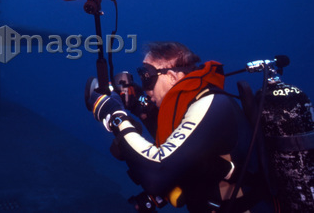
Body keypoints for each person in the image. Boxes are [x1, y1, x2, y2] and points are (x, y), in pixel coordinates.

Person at [86, 42, 272, 212]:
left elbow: (156, 172)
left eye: (147, 77)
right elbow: (173, 136)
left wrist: (114, 115)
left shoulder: (212, 104)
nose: (146, 87)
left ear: (173, 77)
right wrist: (136, 104)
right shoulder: (194, 105)